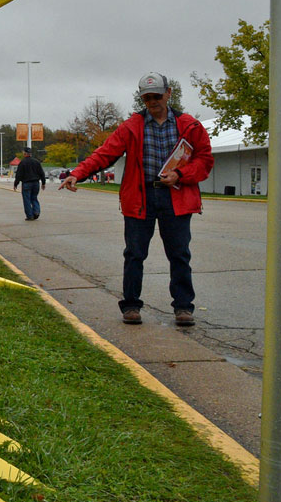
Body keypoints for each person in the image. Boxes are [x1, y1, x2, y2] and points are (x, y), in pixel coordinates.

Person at [59, 72, 213, 327]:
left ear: (168, 93)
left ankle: (183, 307)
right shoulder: (131, 126)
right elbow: (104, 154)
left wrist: (180, 174)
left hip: (175, 196)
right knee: (134, 254)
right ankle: (131, 306)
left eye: (156, 96)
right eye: (146, 97)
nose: (152, 102)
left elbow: (205, 160)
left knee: (179, 254)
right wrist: (77, 174)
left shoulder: (189, 125)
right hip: (141, 197)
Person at [12, 147, 46, 220]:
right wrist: (43, 183)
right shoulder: (36, 162)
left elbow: (19, 175)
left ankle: (30, 215)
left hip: (26, 183)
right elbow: (42, 173)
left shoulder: (22, 163)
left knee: (26, 199)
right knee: (34, 198)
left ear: (24, 153)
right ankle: (36, 211)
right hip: (36, 183)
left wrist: (16, 184)